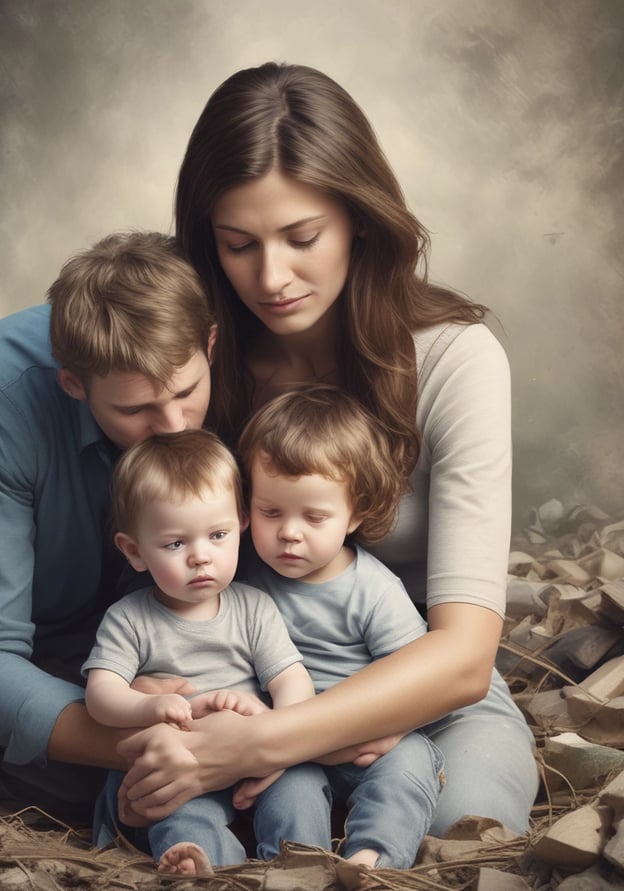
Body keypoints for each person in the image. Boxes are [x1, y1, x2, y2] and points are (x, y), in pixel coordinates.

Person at [117, 62, 539, 836]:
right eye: (238, 244)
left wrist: (271, 740)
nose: (271, 277)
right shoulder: (199, 358)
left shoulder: (456, 358)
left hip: (414, 685)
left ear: (361, 219)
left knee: (464, 827)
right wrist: (174, 698)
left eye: (302, 237)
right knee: (187, 826)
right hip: (233, 676)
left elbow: (465, 655)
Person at [0, 231, 217, 820]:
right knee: (139, 798)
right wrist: (139, 741)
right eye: (134, 410)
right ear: (73, 383)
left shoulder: (215, 346)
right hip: (21, 667)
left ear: (212, 347)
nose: (175, 429)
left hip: (161, 651)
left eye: (188, 392)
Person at [84, 428, 331, 874]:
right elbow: (101, 695)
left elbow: (292, 679)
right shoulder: (129, 619)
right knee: (177, 811)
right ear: (134, 551)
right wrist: (151, 706)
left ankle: (303, 869)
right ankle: (203, 865)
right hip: (183, 763)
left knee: (302, 786)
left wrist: (279, 736)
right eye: (176, 543)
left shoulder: (253, 607)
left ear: (240, 521)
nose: (201, 556)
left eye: (217, 535)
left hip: (257, 752)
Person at [235, 384, 445, 869]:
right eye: (271, 512)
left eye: (314, 516)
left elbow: (421, 679)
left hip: (367, 739)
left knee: (409, 765)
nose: (290, 531)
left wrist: (394, 730)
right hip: (288, 747)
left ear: (356, 513)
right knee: (289, 792)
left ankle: (373, 859)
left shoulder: (371, 588)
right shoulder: (244, 582)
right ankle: (297, 867)